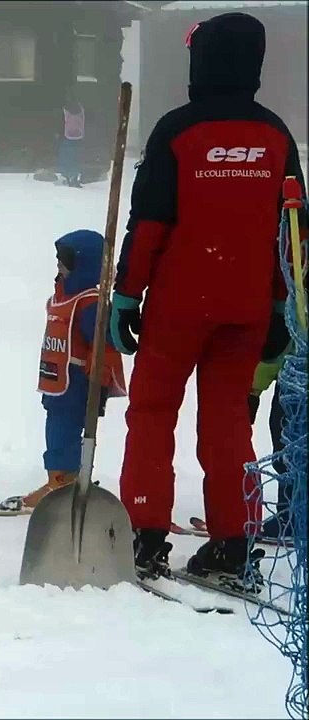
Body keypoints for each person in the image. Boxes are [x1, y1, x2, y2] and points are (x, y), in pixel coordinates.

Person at [110, 12, 302, 590]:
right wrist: (280, 307)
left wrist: (125, 295)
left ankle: (142, 535)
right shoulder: (276, 137)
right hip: (245, 309)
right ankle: (233, 543)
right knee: (227, 424)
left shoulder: (177, 131)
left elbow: (150, 225)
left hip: (178, 305)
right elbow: (292, 232)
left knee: (151, 413)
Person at [0, 230, 126, 512]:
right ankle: (58, 478)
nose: (59, 268)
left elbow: (101, 344)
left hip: (75, 384)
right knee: (56, 430)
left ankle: (65, 480)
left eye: (65, 263)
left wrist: (100, 376)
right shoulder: (62, 297)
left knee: (65, 432)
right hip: (54, 381)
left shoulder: (89, 303)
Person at [248, 356, 289, 538]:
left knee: (289, 452)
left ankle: (290, 517)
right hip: (293, 378)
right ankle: (291, 515)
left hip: (295, 382)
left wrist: (253, 388)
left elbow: (279, 349)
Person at [58, 91, 85, 188]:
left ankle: (66, 176)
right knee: (75, 157)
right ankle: (74, 177)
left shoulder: (65, 108)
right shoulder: (80, 108)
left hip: (67, 136)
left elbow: (61, 122)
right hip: (78, 135)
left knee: (66, 156)